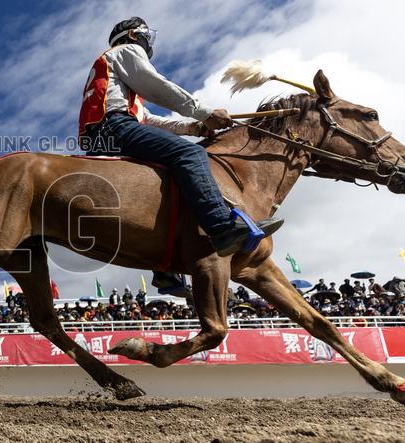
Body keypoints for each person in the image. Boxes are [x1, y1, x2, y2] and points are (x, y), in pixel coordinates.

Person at [79, 17, 283, 296]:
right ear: (133, 35)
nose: (148, 41)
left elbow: (149, 120)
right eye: (146, 35)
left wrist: (193, 127)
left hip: (102, 135)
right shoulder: (127, 51)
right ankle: (222, 228)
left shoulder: (118, 80)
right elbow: (157, 85)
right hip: (114, 127)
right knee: (190, 153)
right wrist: (205, 112)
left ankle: (165, 270)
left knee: (167, 176)